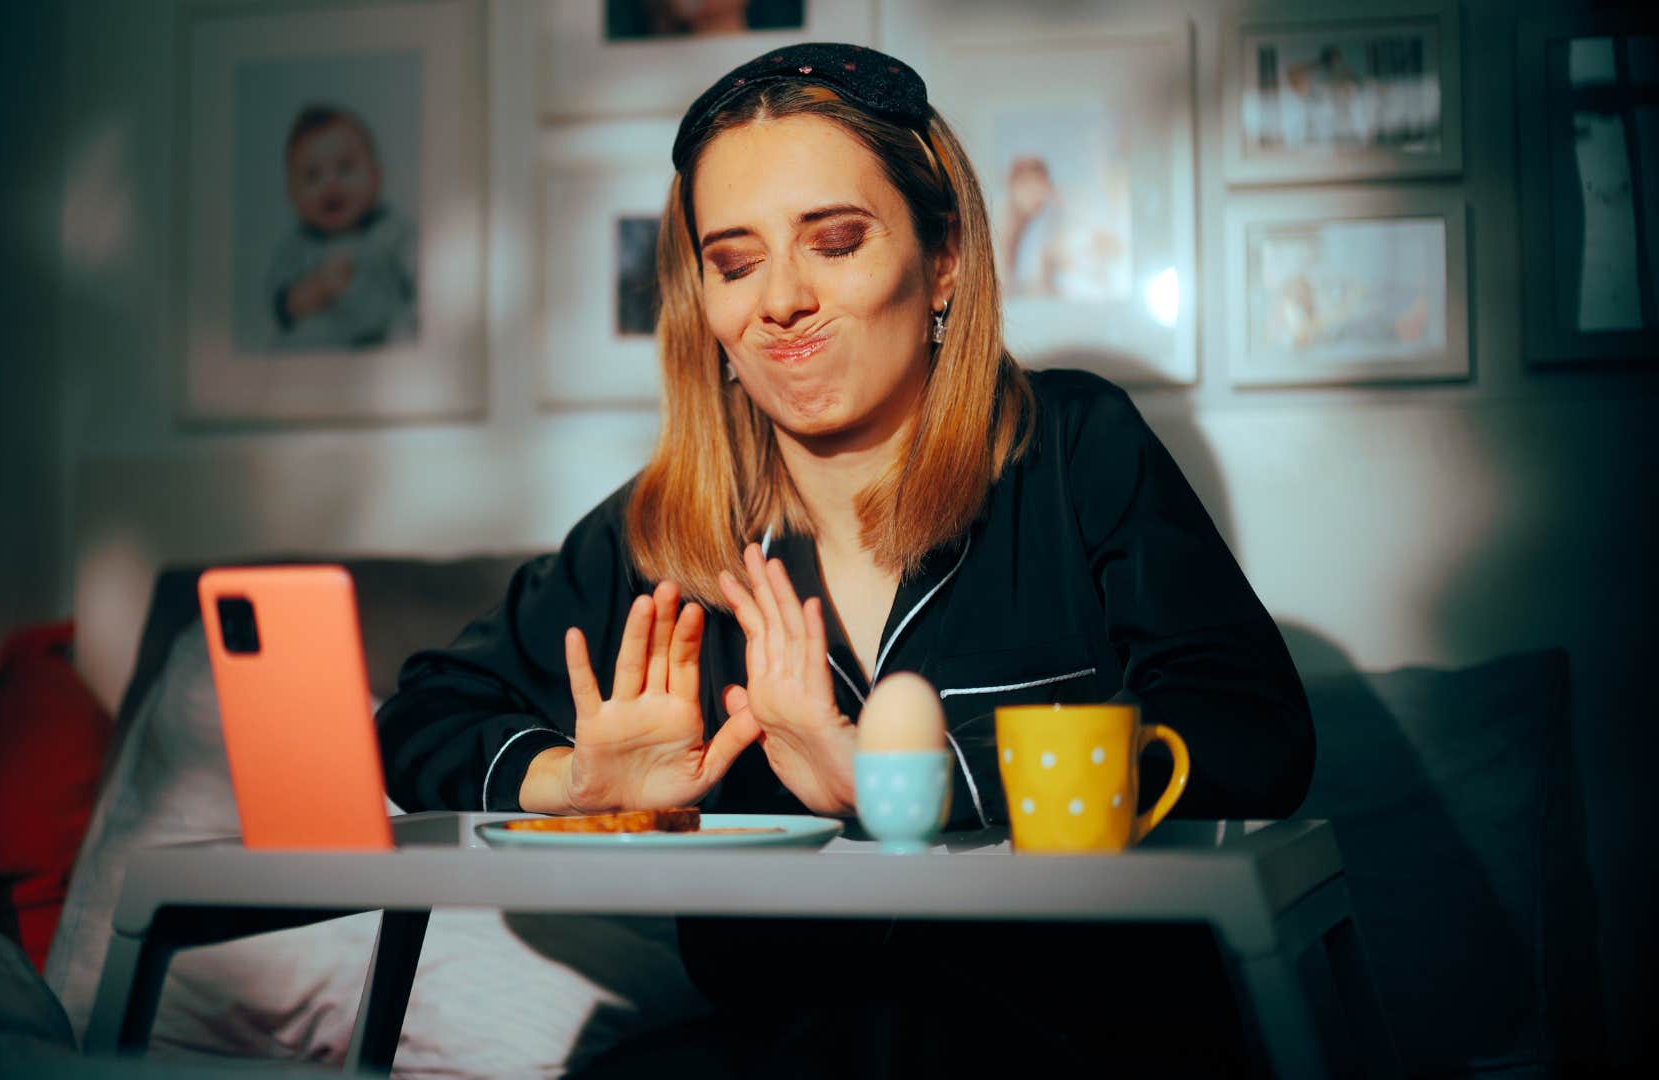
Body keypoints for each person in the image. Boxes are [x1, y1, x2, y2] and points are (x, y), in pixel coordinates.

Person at [377, 42, 1311, 1075]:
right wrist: (574, 782)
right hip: (786, 1049)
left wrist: (913, 779)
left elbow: (1251, 730)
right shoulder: (664, 529)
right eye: (735, 263)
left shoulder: (1073, 449)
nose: (780, 300)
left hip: (1083, 1045)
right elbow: (420, 717)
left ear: (943, 258)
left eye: (833, 241)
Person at [266, 104, 416, 350]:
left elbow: (422, 279)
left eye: (345, 167)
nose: (330, 183)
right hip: (324, 353)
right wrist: (315, 289)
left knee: (405, 330)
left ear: (376, 177)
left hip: (382, 342)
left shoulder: (391, 231)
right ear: (292, 194)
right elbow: (281, 309)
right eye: (313, 176)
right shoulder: (296, 248)